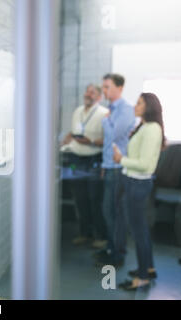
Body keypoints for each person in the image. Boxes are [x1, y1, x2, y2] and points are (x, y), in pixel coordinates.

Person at [113, 93, 165, 290]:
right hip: (133, 181)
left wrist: (121, 160)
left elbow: (144, 165)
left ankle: (142, 277)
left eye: (140, 103)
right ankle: (148, 268)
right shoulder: (144, 126)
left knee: (139, 232)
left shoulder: (152, 129)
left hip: (138, 184)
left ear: (149, 106)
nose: (135, 105)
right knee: (140, 229)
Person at [95, 74, 135, 267]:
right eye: (103, 87)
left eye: (107, 87)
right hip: (110, 167)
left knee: (114, 214)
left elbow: (114, 134)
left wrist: (106, 121)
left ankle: (117, 254)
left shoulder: (126, 110)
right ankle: (112, 248)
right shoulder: (111, 110)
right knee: (107, 211)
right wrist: (104, 166)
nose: (104, 91)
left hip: (119, 169)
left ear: (120, 87)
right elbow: (108, 145)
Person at [61, 84, 108, 249]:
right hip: (75, 160)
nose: (88, 94)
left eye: (92, 92)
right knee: (79, 198)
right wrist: (68, 137)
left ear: (99, 97)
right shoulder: (77, 111)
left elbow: (109, 140)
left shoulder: (104, 114)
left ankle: (100, 236)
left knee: (95, 199)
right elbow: (74, 132)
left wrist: (92, 141)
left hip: (93, 159)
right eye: (87, 91)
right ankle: (84, 234)